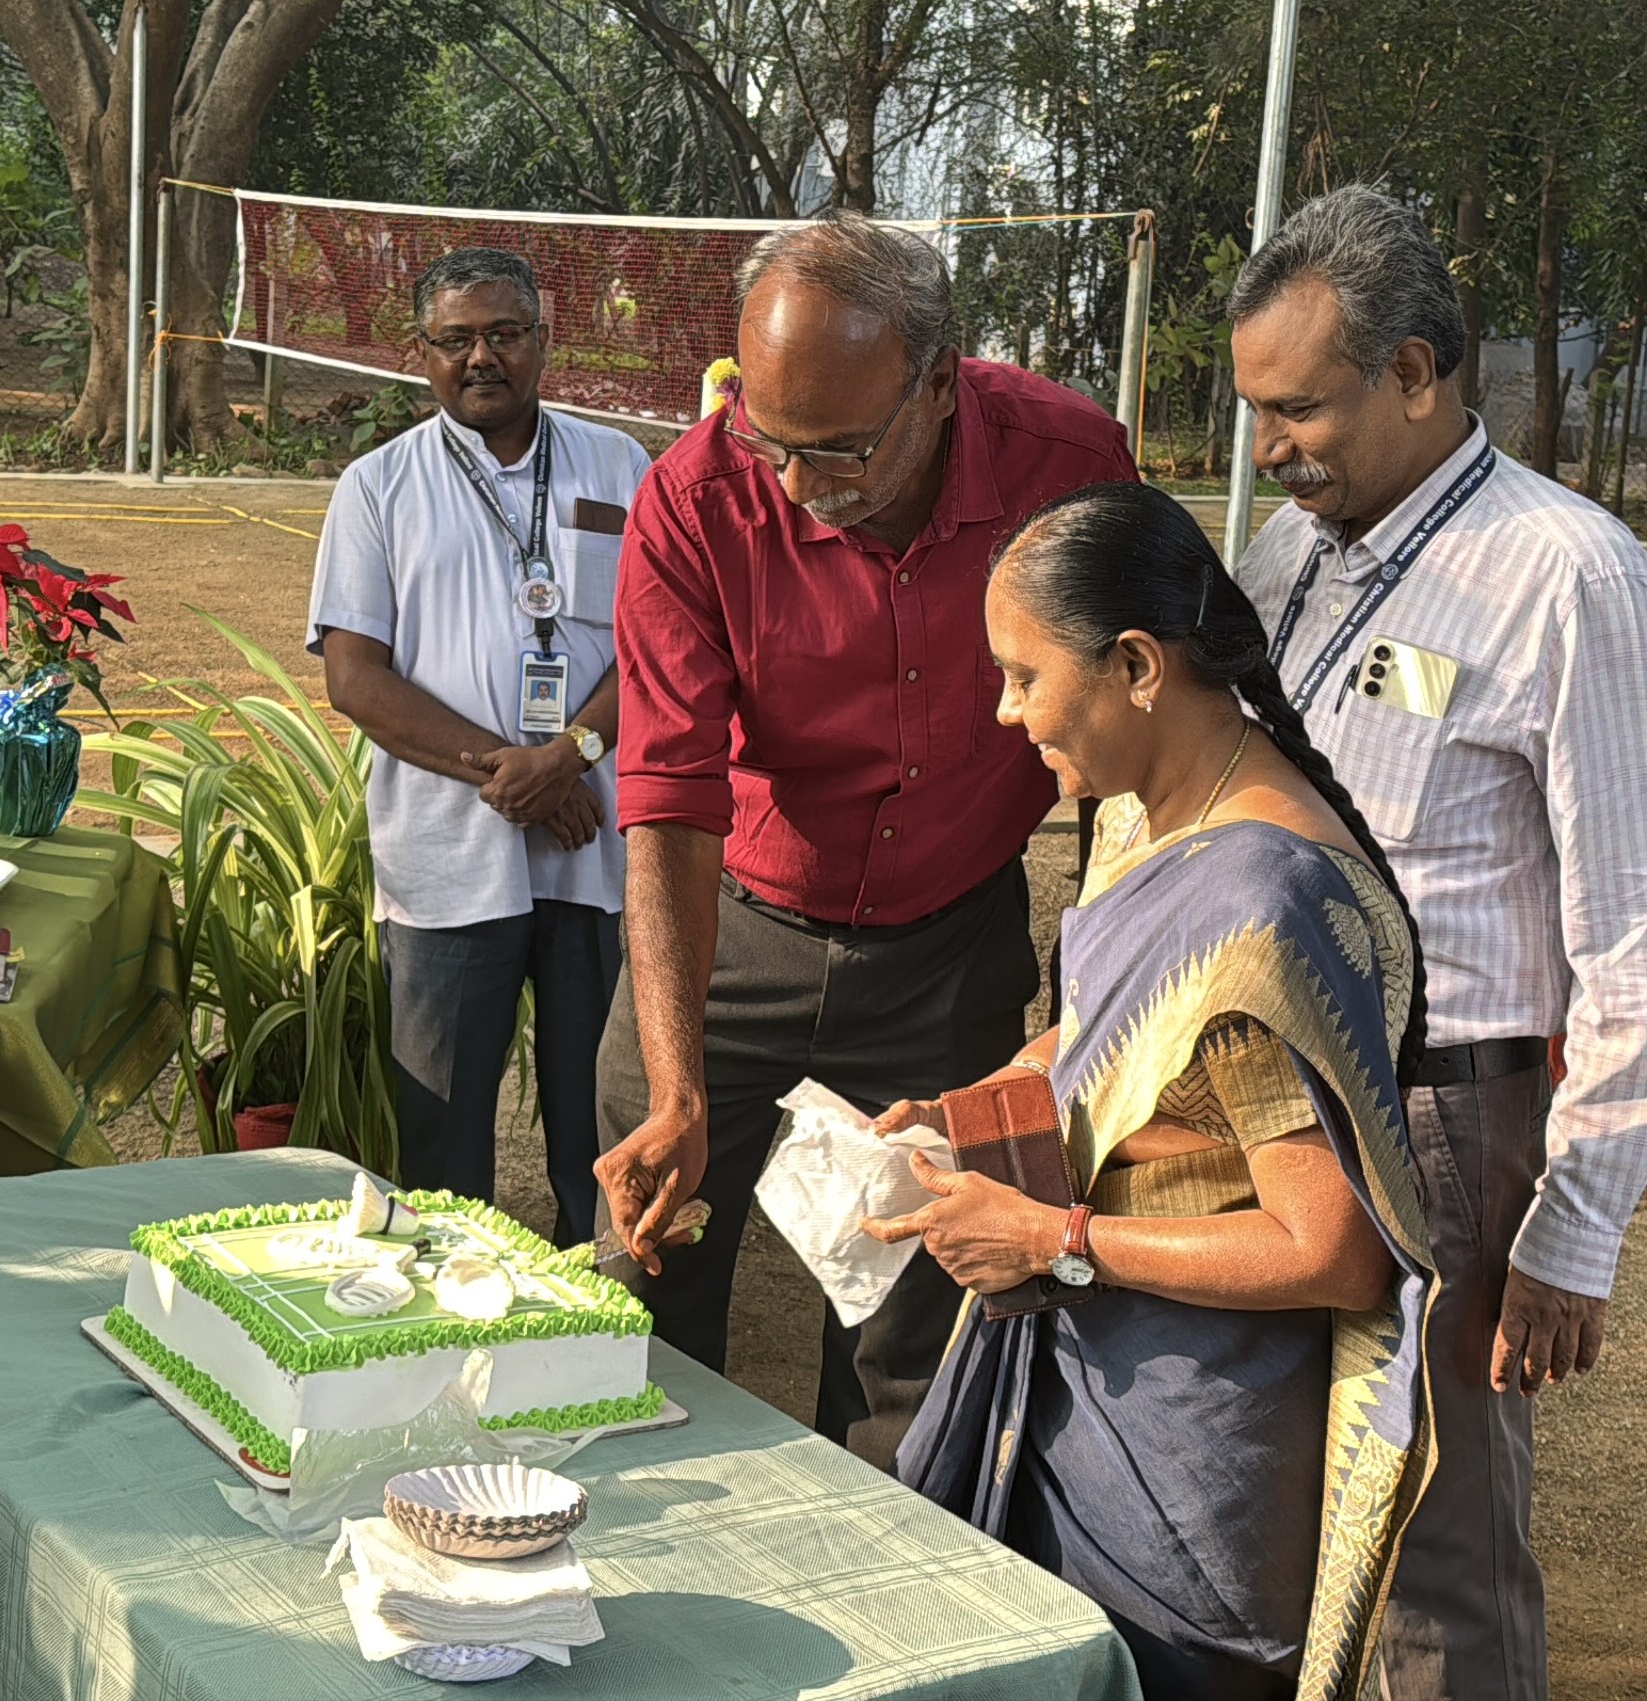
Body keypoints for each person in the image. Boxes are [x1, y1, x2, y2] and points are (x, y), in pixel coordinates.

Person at [1224, 185, 1647, 1701]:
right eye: (1252, 413)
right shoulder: (1283, 566)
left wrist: (1572, 1226)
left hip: (1443, 1129)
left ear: (1415, 373)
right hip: (1261, 1104)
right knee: (1276, 1505)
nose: (1267, 448)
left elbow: (1631, 934)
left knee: (1436, 1551)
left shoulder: (1568, 576)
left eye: (1296, 409)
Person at [592, 211, 1138, 1462]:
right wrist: (676, 1085)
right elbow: (669, 796)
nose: (793, 487)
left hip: (947, 951)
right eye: (765, 437)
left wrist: (1091, 1010)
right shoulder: (693, 498)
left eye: (834, 451)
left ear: (941, 383)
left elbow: (1131, 746)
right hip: (732, 940)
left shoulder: (1070, 464)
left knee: (914, 1341)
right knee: (637, 1294)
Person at [877, 481, 1436, 1700]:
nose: (1008, 711)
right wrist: (979, 1100)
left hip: (1192, 1460)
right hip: (1106, 1391)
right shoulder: (1157, 814)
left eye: (1025, 676)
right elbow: (1114, 1047)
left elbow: (1332, 1247)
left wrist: (1053, 1238)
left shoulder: (1261, 902)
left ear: (1135, 664)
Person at [311, 248, 649, 1241]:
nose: (482, 357)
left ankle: (598, 1321)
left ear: (545, 342)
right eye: (456, 340)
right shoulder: (378, 488)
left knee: (601, 1120)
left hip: (595, 852)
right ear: (425, 357)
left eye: (504, 333)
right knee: (443, 1126)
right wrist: (522, 776)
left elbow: (661, 645)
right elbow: (354, 678)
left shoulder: (617, 465)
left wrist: (570, 755)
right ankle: (449, 1317)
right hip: (449, 855)